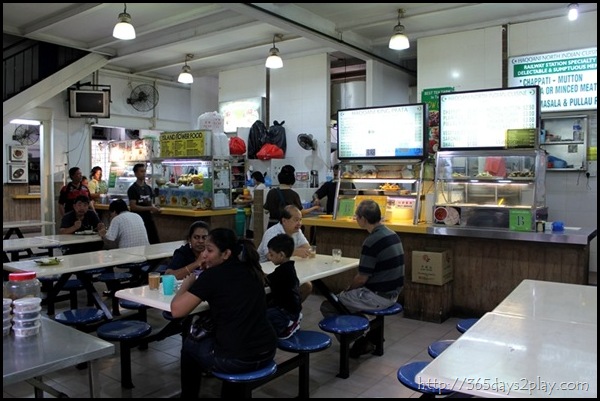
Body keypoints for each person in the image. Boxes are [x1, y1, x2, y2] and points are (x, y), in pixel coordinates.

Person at [171, 228, 277, 398]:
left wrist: (188, 281)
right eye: (204, 249)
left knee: (190, 344)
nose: (204, 255)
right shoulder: (252, 269)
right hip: (267, 350)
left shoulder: (212, 275)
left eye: (209, 250)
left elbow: (176, 311)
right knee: (231, 338)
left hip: (238, 361)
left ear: (226, 253)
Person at [320, 199, 405, 358]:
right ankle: (370, 333)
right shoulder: (392, 234)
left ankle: (359, 339)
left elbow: (361, 279)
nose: (355, 219)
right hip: (394, 293)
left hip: (379, 296)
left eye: (356, 216)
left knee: (330, 304)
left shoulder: (371, 241)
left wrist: (347, 290)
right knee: (343, 302)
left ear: (363, 220)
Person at [257, 205, 313, 302]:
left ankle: (291, 312)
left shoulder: (297, 231)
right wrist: (294, 252)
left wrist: (294, 252)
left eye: (300, 220)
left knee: (307, 286)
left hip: (284, 268)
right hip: (266, 272)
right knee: (297, 286)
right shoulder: (272, 233)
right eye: (296, 220)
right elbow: (270, 256)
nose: (299, 223)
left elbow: (308, 248)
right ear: (284, 221)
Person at [265, 233, 303, 339]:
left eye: (271, 254)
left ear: (281, 255)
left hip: (285, 312)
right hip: (293, 309)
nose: (268, 256)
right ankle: (292, 320)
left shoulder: (282, 271)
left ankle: (289, 325)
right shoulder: (289, 268)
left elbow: (267, 280)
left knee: (264, 316)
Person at [128, 163, 161, 244]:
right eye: (141, 171)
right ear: (136, 173)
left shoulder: (148, 188)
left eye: (144, 171)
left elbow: (151, 202)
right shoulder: (132, 189)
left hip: (149, 219)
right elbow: (133, 207)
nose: (144, 174)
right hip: (138, 220)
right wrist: (150, 208)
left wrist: (154, 207)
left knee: (154, 241)